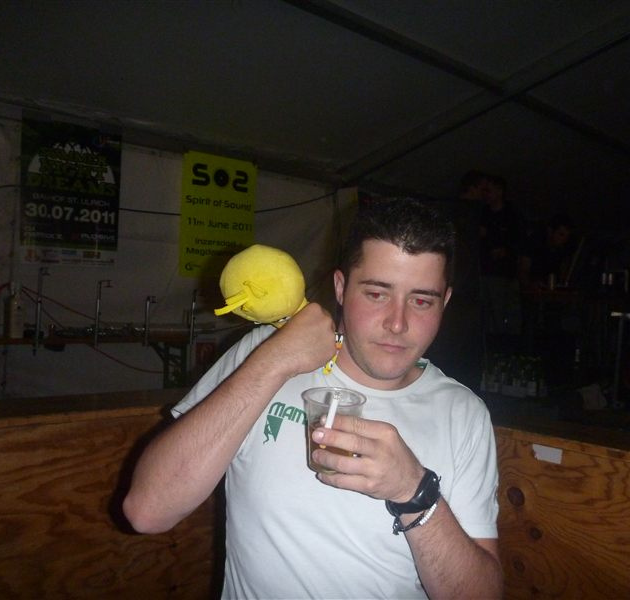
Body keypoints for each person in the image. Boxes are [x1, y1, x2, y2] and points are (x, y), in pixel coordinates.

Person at [123, 198, 503, 599]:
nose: (398, 323)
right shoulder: (264, 352)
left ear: (445, 302)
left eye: (421, 301)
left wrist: (413, 491)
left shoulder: (463, 413)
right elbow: (148, 510)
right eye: (377, 294)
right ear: (340, 287)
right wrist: (274, 362)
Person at [426, 170, 488, 393]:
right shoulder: (460, 216)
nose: (486, 194)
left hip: (459, 299)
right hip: (458, 301)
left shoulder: (464, 216)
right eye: (482, 189)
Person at [479, 175, 522, 335]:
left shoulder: (511, 215)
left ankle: (504, 344)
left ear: (499, 191)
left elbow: (518, 242)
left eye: (489, 191)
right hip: (484, 271)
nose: (486, 194)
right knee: (486, 316)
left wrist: (506, 251)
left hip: (503, 274)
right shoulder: (482, 214)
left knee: (502, 314)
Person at [517, 213, 575, 291]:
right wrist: (530, 285)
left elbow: (564, 275)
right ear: (550, 231)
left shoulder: (564, 248)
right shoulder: (534, 242)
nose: (564, 240)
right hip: (531, 291)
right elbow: (523, 270)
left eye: (567, 237)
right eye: (561, 234)